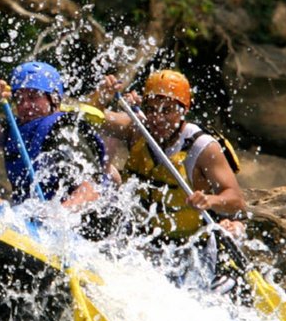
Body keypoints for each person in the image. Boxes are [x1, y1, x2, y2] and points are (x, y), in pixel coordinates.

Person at [92, 69, 247, 291]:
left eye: (168, 110)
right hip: (139, 242)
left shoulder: (202, 147)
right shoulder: (137, 128)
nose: (158, 118)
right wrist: (101, 95)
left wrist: (209, 201)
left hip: (189, 249)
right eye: (151, 109)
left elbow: (236, 200)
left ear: (185, 110)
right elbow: (91, 117)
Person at [0, 61, 108, 210]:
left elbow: (91, 189)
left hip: (74, 219)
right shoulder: (17, 127)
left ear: (54, 99)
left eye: (33, 97)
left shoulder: (65, 130)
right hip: (38, 212)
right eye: (20, 99)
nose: (25, 105)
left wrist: (53, 219)